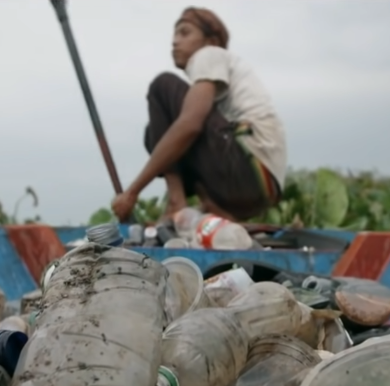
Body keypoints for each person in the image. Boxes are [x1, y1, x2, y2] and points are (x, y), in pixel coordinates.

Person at [110, 7, 287, 224]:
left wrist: (132, 192)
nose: (175, 41)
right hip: (261, 188)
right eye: (175, 35)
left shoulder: (209, 54)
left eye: (184, 33)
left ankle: (176, 202)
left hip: (248, 168)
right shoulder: (219, 76)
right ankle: (216, 208)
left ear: (210, 41)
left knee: (162, 87)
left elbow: (190, 125)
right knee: (155, 134)